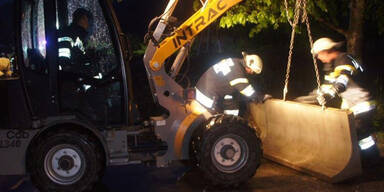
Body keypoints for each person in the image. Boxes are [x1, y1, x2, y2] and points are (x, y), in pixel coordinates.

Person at [310, 37, 379, 165]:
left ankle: (372, 162)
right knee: (357, 135)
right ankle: (366, 161)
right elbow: (326, 87)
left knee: (361, 135)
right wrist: (308, 99)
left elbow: (342, 82)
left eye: (319, 54)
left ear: (326, 51)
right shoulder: (332, 65)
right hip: (353, 105)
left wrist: (329, 95)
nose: (318, 58)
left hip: (362, 104)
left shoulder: (343, 59)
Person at [192, 52, 268, 118]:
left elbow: (231, 89)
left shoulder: (235, 62)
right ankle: (227, 129)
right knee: (211, 125)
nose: (251, 73)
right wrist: (260, 97)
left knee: (232, 105)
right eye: (252, 71)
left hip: (204, 91)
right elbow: (245, 88)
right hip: (206, 97)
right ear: (249, 64)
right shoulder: (236, 70)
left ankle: (230, 125)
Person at [57, 8, 96, 76]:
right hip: (71, 81)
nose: (89, 23)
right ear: (83, 18)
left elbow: (78, 57)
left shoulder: (80, 36)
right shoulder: (68, 34)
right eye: (88, 20)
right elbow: (64, 63)